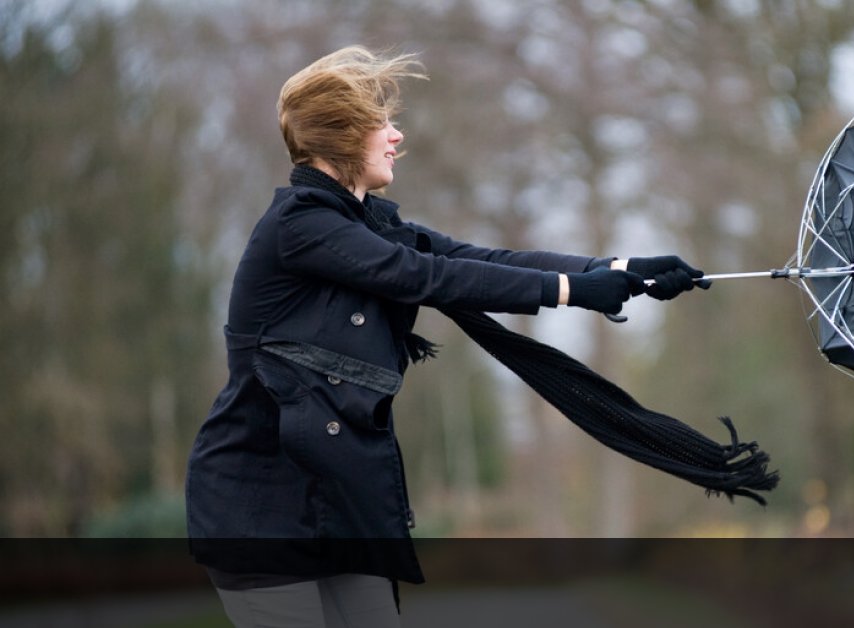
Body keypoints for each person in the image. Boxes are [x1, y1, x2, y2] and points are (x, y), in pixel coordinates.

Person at [184, 45, 708, 627]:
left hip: (340, 504)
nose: (396, 136)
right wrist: (571, 291)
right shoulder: (300, 226)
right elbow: (425, 276)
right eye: (381, 123)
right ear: (342, 135)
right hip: (258, 509)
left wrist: (618, 269)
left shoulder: (367, 223)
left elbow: (476, 258)